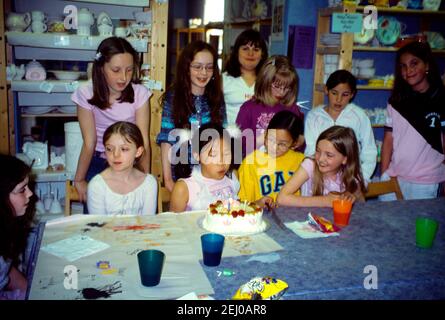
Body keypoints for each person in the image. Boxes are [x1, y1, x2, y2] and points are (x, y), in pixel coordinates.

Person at [71, 37, 152, 204]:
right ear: (101, 68)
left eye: (129, 70)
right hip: (99, 162)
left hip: (131, 163)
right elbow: (89, 142)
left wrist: (145, 177)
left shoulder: (140, 94)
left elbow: (144, 141)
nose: (123, 77)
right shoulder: (86, 94)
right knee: (97, 222)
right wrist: (79, 180)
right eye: (116, 70)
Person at [156, 41, 227, 192]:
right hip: (182, 177)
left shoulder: (216, 98)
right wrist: (168, 180)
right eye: (197, 67)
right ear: (186, 68)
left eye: (209, 67)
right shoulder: (173, 97)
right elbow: (166, 140)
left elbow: (224, 138)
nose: (203, 73)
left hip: (211, 175)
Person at [380, 42, 445, 200]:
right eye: (403, 66)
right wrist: (384, 174)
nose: (408, 70)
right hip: (394, 178)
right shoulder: (396, 101)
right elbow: (388, 140)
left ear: (427, 65)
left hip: (427, 182)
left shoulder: (440, 99)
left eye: (414, 63)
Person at [304, 69, 377, 181]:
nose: (339, 99)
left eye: (345, 94)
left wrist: (361, 178)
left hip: (351, 178)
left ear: (352, 94)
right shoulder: (314, 117)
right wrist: (318, 177)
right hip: (321, 178)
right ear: (326, 90)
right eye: (334, 93)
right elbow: (311, 152)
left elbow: (369, 151)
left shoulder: (359, 116)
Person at [277, 126, 366, 207]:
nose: (321, 159)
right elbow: (281, 199)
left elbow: (362, 205)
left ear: (345, 159)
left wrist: (352, 197)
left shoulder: (351, 176)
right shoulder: (310, 165)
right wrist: (325, 201)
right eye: (318, 151)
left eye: (329, 155)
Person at [235, 55, 304, 158]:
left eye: (287, 88)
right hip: (255, 165)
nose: (281, 92)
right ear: (265, 81)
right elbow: (238, 147)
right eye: (277, 86)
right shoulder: (248, 108)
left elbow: (299, 149)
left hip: (282, 166)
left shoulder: (292, 109)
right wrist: (261, 140)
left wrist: (299, 141)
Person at [87, 122, 157, 215]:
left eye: (124, 149)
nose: (115, 155)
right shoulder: (97, 186)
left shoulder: (148, 183)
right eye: (109, 149)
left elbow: (149, 225)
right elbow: (99, 228)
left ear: (138, 151)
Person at [238, 110, 305, 207]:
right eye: (271, 139)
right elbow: (242, 206)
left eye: (282, 144)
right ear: (265, 134)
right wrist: (258, 204)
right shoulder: (250, 163)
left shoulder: (301, 161)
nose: (274, 147)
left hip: (294, 217)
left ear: (294, 143)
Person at [169, 123, 239, 212]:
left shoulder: (232, 178)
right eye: (213, 155)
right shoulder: (184, 188)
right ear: (197, 156)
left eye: (226, 154)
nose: (221, 162)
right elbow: (174, 223)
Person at [0, 155, 35, 300]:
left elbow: (5, 271)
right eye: (22, 190)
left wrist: (29, 291)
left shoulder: (6, 226)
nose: (30, 193)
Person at [223, 29, 268, 125]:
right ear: (236, 52)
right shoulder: (223, 80)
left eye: (256, 49)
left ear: (262, 54)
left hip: (259, 138)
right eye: (245, 49)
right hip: (231, 137)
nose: (250, 54)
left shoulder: (268, 81)